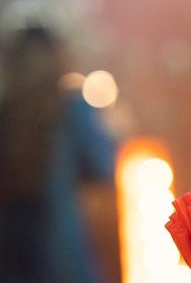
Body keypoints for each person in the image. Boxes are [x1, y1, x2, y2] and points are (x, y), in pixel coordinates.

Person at [0, 26, 115, 283]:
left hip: (9, 254)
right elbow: (104, 167)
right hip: (62, 258)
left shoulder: (5, 114)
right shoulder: (71, 110)